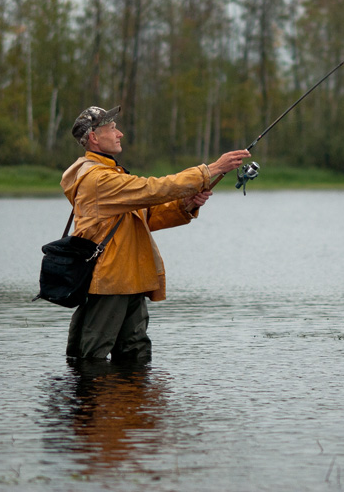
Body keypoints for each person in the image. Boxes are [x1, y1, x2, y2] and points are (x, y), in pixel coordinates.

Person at [61, 105, 249, 363]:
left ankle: (136, 403)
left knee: (135, 356)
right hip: (108, 281)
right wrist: (211, 170)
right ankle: (92, 403)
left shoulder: (111, 173)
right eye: (113, 128)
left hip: (130, 279)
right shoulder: (96, 179)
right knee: (91, 357)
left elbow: (145, 217)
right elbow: (154, 189)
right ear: (94, 137)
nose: (120, 134)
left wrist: (187, 204)